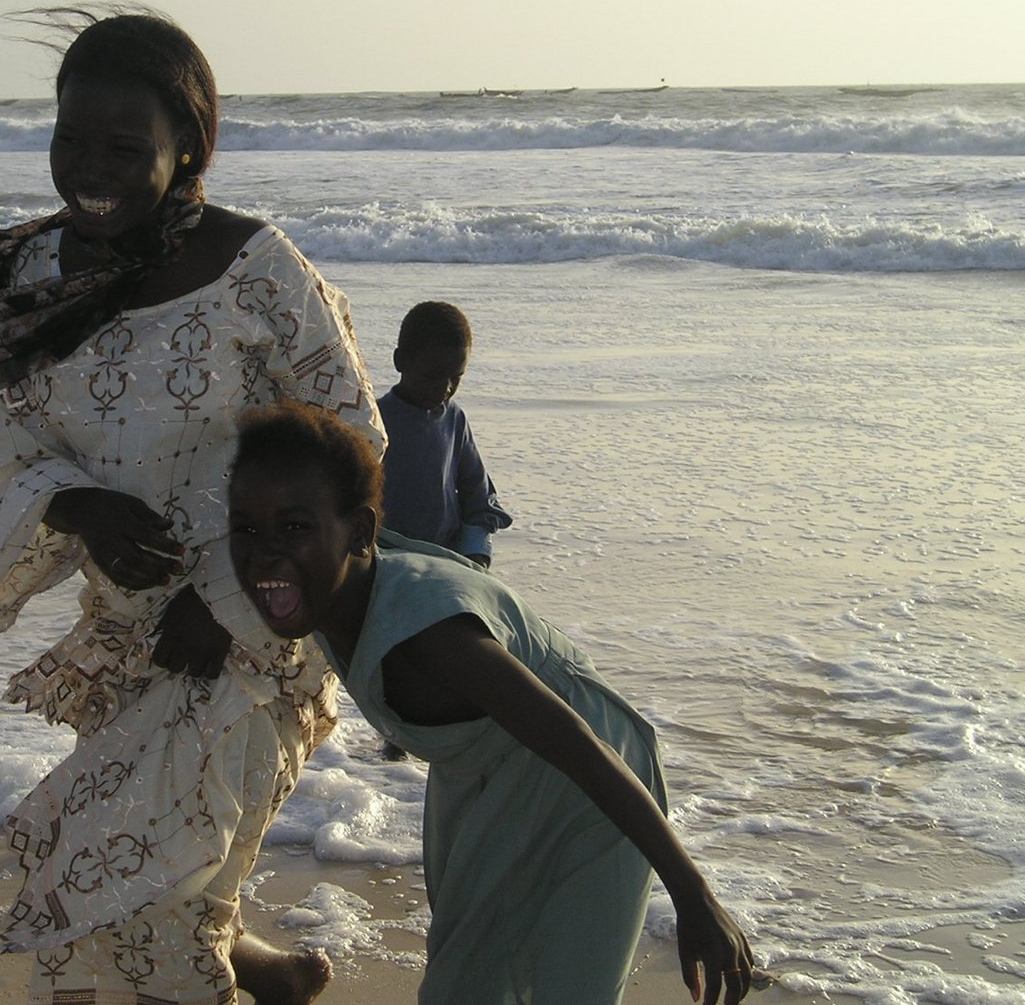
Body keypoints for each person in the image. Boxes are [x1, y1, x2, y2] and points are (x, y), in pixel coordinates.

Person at [0, 6, 384, 1005]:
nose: (89, 167)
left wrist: (228, 599)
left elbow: (354, 442)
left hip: (260, 627)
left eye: (123, 146)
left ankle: (220, 966)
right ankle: (245, 957)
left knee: (137, 889)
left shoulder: (257, 269)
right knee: (147, 857)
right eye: (70, 139)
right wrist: (82, 507)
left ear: (184, 148)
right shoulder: (41, 276)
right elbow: (15, 445)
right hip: (126, 627)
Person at [227, 402, 755, 1005]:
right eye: (245, 529)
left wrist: (693, 895)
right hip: (485, 779)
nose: (264, 553)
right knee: (466, 984)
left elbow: (581, 747)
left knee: (568, 987)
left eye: (294, 528)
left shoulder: (433, 637)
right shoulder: (319, 591)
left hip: (588, 791)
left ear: (360, 533)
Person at [377, 301, 511, 569]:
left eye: (456, 377)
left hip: (447, 561)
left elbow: (479, 498)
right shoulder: (373, 421)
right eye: (433, 376)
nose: (445, 388)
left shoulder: (454, 419)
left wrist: (477, 556)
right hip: (385, 563)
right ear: (400, 360)